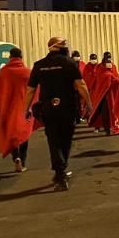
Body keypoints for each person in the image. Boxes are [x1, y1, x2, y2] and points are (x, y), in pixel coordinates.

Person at [24, 36, 92, 191]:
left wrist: (26, 108)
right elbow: (80, 85)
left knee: (53, 141)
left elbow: (30, 90)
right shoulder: (69, 63)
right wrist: (88, 103)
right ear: (59, 47)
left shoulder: (39, 65)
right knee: (66, 140)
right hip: (68, 108)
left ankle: (59, 171)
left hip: (48, 109)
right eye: (64, 45)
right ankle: (61, 172)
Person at [0, 47, 38, 173]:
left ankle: (16, 157)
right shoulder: (27, 72)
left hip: (8, 109)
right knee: (24, 135)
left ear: (10, 57)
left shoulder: (4, 72)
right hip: (25, 109)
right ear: (21, 57)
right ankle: (23, 161)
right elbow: (34, 90)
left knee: (11, 135)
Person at [88, 51, 119, 136]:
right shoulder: (100, 68)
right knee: (105, 113)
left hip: (112, 95)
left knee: (114, 112)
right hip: (103, 96)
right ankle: (107, 130)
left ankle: (116, 128)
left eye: (110, 58)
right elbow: (100, 80)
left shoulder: (113, 66)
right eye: (107, 59)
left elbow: (116, 77)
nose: (109, 62)